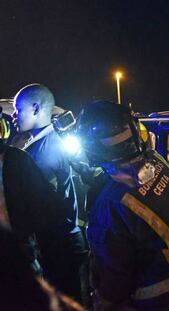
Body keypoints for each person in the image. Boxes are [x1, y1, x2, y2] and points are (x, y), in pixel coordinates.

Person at [75, 100, 169, 311]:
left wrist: (102, 302)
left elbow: (115, 280)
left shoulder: (109, 206)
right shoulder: (155, 160)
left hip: (164, 295)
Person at [12, 84, 88, 301]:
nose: (15, 116)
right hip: (65, 243)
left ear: (36, 108)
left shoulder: (43, 153)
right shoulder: (47, 142)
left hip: (60, 248)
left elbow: (39, 209)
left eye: (19, 110)